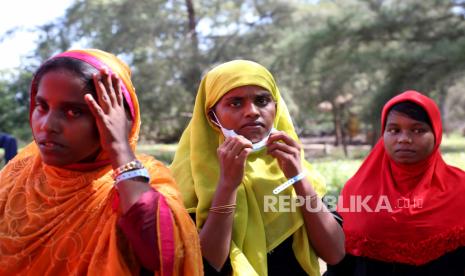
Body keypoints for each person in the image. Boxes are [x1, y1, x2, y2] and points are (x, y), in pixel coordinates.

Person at [0, 49, 202, 275]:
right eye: (42, 106)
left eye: (73, 112)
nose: (47, 125)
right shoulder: (20, 171)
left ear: (116, 120)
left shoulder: (142, 180)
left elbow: (161, 256)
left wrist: (119, 149)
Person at [170, 60, 345, 275]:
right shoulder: (187, 178)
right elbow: (205, 265)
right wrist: (227, 185)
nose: (252, 111)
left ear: (276, 106)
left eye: (262, 100)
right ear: (212, 116)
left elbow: (335, 253)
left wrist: (298, 178)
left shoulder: (292, 164)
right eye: (235, 103)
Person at [327, 90, 465, 275]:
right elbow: (343, 264)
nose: (404, 139)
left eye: (418, 130)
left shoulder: (460, 189)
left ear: (437, 134)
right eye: (394, 130)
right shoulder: (357, 190)